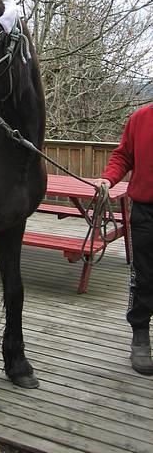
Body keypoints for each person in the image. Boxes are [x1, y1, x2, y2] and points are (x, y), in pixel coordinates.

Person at [95, 103, 153, 375]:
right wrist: (108, 179)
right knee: (144, 277)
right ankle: (140, 335)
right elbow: (123, 157)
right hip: (146, 211)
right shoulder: (140, 118)